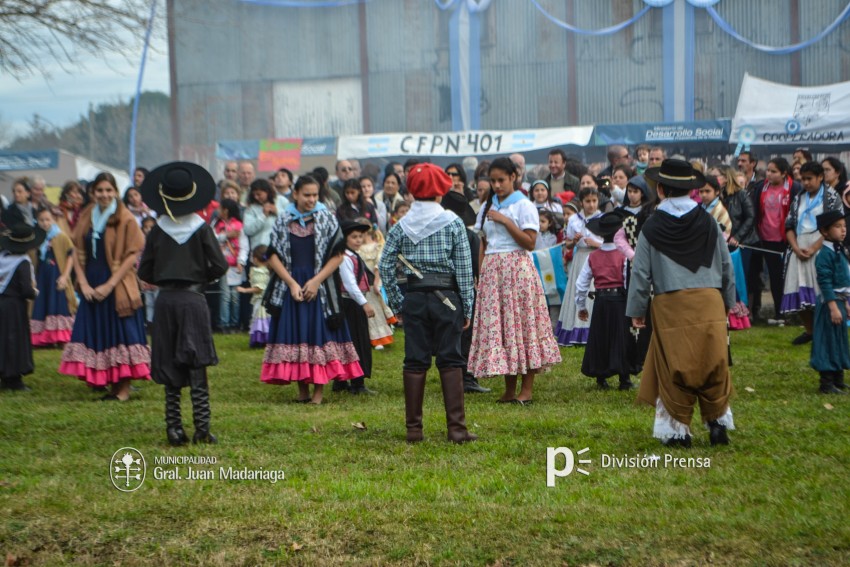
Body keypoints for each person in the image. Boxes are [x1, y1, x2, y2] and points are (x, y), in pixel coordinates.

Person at [626, 159, 736, 448]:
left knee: (673, 367)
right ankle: (716, 425)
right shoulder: (710, 222)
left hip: (670, 304)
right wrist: (727, 300)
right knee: (714, 364)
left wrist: (637, 311)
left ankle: (677, 432)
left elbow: (640, 272)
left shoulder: (651, 227)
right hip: (709, 300)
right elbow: (726, 266)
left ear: (660, 189)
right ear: (692, 189)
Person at [379, 163, 478, 442]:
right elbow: (463, 269)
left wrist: (398, 304)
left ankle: (414, 430)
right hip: (447, 298)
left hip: (414, 299)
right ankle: (457, 429)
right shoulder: (453, 223)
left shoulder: (401, 227)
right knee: (451, 359)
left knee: (414, 361)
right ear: (440, 191)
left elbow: (385, 265)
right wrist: (467, 307)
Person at [138, 161, 229, 445]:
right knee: (196, 364)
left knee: (169, 364)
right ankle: (202, 428)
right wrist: (201, 278)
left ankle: (174, 429)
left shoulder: (157, 230)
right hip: (192, 299)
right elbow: (220, 265)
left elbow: (144, 271)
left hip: (166, 301)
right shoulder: (202, 229)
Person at [468, 158, 562, 405]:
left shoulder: (524, 205)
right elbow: (483, 243)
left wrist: (506, 221)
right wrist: (481, 273)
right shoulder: (487, 206)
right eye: (493, 180)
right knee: (503, 329)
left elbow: (530, 242)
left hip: (517, 269)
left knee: (523, 326)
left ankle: (526, 389)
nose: (497, 185)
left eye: (501, 180)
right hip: (493, 271)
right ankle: (509, 389)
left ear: (513, 177)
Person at [261, 175, 362, 404]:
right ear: (295, 194)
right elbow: (272, 256)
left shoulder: (326, 218)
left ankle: (318, 392)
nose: (311, 199)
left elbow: (337, 256)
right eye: (306, 195)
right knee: (297, 333)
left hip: (321, 286)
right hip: (292, 284)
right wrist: (291, 283)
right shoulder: (284, 219)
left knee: (318, 334)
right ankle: (302, 391)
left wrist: (316, 281)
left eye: (315, 195)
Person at [59, 172, 151, 400]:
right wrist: (82, 282)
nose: (104, 195)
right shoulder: (87, 214)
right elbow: (77, 250)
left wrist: (109, 285)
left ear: (116, 192)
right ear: (92, 193)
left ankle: (124, 390)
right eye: (100, 190)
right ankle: (111, 384)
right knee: (100, 331)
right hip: (91, 279)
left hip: (118, 282)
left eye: (109, 190)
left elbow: (132, 255)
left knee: (123, 332)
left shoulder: (125, 217)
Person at [782, 161, 843, 345]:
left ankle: (824, 331)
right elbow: (789, 225)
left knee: (821, 292)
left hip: (821, 248)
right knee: (796, 289)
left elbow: (835, 227)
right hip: (799, 247)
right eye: (803, 179)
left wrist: (815, 247)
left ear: (820, 177)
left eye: (810, 179)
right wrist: (795, 247)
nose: (806, 183)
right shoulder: (799, 197)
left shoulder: (831, 197)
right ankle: (810, 331)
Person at [576, 211, 635, 390]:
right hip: (620, 302)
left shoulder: (592, 256)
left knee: (601, 337)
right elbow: (628, 280)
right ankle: (624, 378)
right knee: (622, 337)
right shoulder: (625, 256)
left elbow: (581, 284)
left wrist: (581, 306)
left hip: (601, 302)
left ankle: (601, 377)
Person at [750, 157, 799, 324]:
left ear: (784, 173)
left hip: (785, 239)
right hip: (765, 238)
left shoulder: (794, 188)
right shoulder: (760, 187)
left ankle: (789, 312)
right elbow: (755, 211)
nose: (769, 175)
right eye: (768, 171)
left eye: (773, 171)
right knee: (771, 276)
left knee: (784, 277)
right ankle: (775, 313)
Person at [0, 224, 45, 391]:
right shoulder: (23, 262)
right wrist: (35, 292)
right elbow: (26, 290)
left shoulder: (2, 256)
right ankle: (13, 379)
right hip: (14, 307)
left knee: (2, 340)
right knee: (14, 340)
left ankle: (4, 376)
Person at [555, 187, 603, 345]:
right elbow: (567, 245)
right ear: (582, 202)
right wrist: (574, 241)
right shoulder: (574, 220)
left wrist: (596, 243)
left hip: (597, 257)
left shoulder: (602, 218)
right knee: (579, 289)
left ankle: (594, 329)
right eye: (588, 201)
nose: (591, 205)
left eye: (594, 201)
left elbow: (609, 243)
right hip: (580, 257)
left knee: (593, 291)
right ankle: (575, 328)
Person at [810, 210, 850, 395]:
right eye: (837, 227)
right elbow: (825, 282)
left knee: (839, 340)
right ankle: (826, 383)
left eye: (844, 226)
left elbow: (843, 281)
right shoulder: (825, 254)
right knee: (828, 341)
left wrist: (846, 303)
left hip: (840, 302)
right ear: (825, 231)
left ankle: (838, 379)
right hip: (829, 305)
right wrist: (833, 307)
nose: (843, 230)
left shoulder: (840, 250)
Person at [338, 218, 376, 395]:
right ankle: (356, 383)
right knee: (356, 342)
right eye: (354, 237)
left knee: (349, 341)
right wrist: (365, 303)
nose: (359, 240)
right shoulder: (345, 258)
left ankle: (343, 381)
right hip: (350, 304)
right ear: (345, 238)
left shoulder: (353, 256)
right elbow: (350, 285)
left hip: (352, 303)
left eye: (361, 236)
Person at [31, 208, 77, 347]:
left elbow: (71, 255)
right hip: (42, 277)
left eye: (47, 219)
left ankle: (60, 336)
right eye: (41, 220)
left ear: (53, 220)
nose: (45, 223)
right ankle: (42, 338)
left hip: (56, 276)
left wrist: (65, 276)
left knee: (58, 303)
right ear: (37, 221)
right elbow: (33, 259)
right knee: (42, 303)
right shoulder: (36, 238)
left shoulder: (61, 236)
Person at [357, 227, 396, 350]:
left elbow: (378, 265)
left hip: (372, 282)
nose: (358, 238)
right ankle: (365, 337)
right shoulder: (356, 249)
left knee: (375, 310)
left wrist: (377, 282)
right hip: (358, 282)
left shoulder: (377, 246)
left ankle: (378, 338)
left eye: (359, 235)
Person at [213, 199, 244, 333]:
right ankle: (224, 323)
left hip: (236, 266)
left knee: (235, 296)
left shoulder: (239, 225)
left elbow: (244, 244)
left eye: (220, 208)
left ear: (226, 210)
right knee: (225, 295)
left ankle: (234, 323)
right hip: (223, 265)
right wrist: (225, 235)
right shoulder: (216, 224)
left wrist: (241, 261)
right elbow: (213, 239)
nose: (218, 211)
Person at [237, 246, 272, 348]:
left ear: (255, 259)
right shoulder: (268, 270)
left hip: (260, 301)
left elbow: (259, 288)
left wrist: (245, 290)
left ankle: (261, 339)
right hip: (266, 300)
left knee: (260, 319)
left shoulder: (259, 272)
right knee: (265, 320)